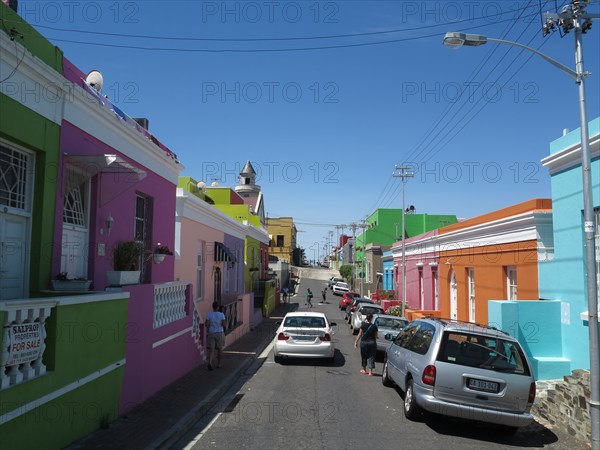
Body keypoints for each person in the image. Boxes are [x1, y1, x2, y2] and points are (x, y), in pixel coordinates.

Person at [205, 301, 226, 371]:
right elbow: (224, 325)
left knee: (212, 349)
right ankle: (219, 364)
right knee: (220, 349)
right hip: (219, 332)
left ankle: (210, 362)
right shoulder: (221, 315)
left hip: (211, 333)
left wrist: (210, 324)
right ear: (218, 307)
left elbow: (206, 324)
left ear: (213, 307)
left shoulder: (209, 314)